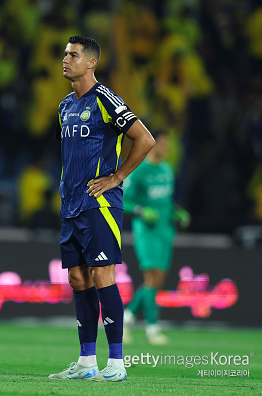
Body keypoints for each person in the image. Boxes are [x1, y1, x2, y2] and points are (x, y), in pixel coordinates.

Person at [48, 36, 155, 382]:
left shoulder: (105, 99)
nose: (66, 59)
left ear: (91, 62)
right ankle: (85, 361)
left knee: (102, 276)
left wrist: (117, 176)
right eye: (65, 54)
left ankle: (117, 363)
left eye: (73, 55)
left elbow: (145, 139)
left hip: (100, 203)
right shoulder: (65, 105)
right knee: (77, 278)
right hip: (72, 204)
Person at [122, 130, 191, 345]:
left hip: (164, 231)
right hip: (146, 232)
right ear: (152, 144)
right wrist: (142, 211)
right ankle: (152, 329)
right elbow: (123, 201)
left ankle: (124, 321)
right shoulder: (138, 171)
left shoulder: (167, 170)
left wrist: (176, 211)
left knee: (155, 282)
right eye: (163, 143)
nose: (167, 148)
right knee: (151, 279)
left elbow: (167, 201)